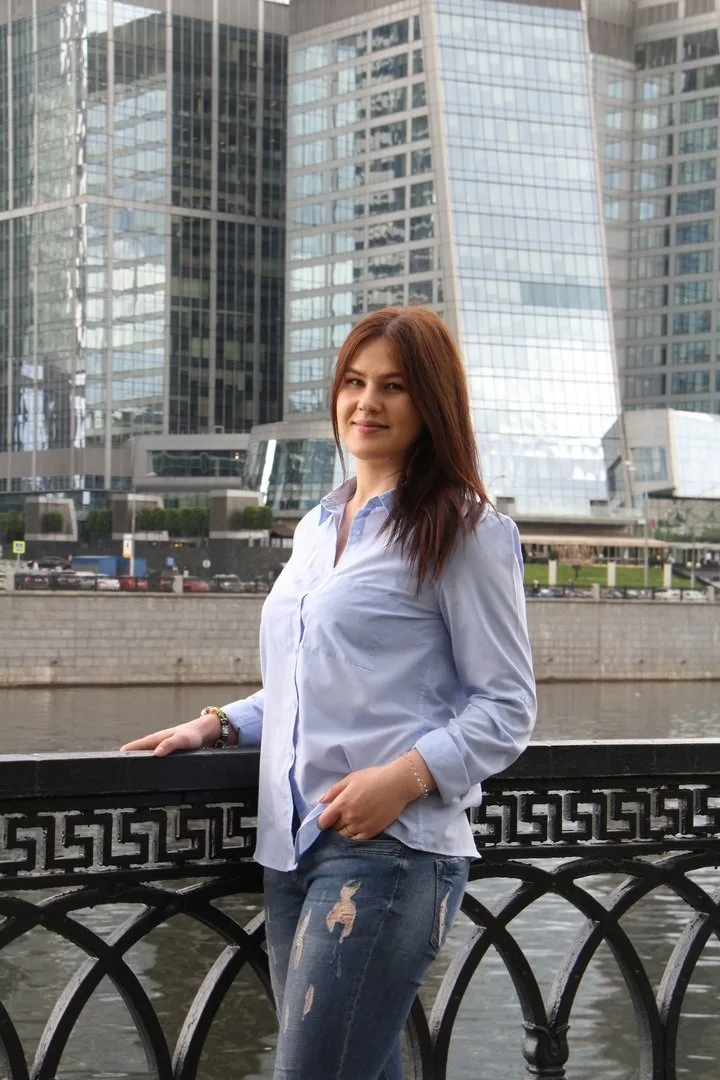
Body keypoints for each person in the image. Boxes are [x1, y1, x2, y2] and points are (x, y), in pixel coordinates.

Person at [121, 307, 536, 1080]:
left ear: (432, 404)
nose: (366, 403)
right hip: (290, 848)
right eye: (354, 381)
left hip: (392, 852)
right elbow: (309, 679)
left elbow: (508, 706)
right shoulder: (316, 526)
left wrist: (404, 778)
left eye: (393, 387)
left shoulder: (465, 530)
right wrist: (221, 724)